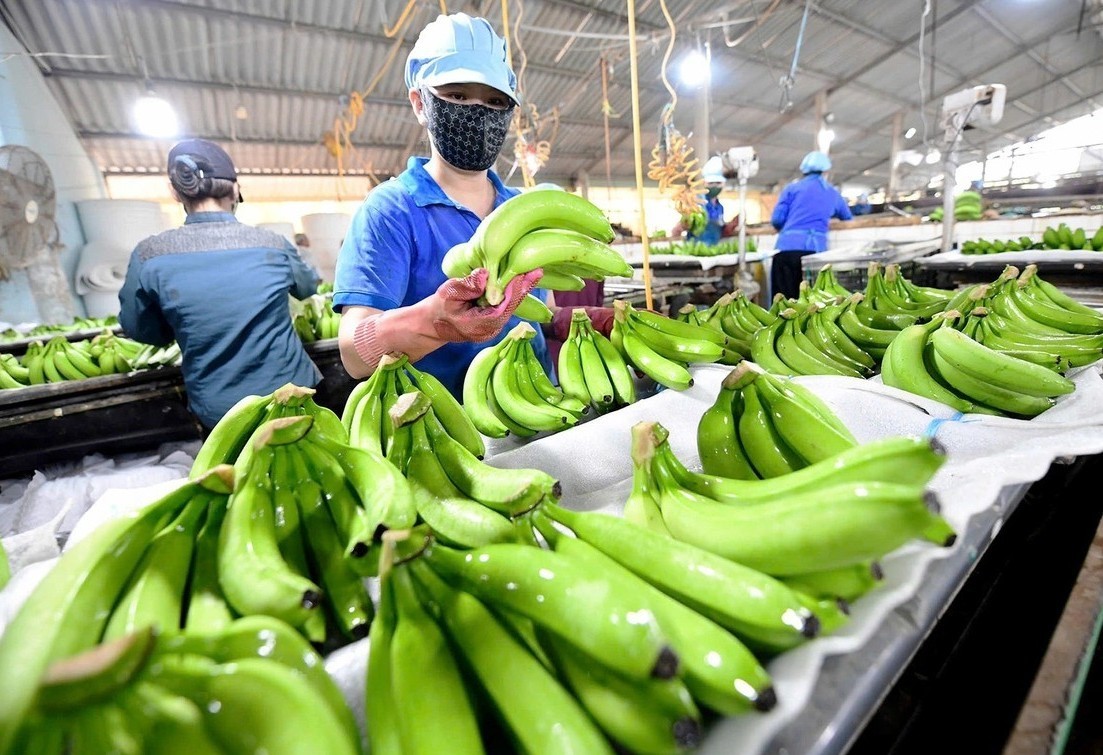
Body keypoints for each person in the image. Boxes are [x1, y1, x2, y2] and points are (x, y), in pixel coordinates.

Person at [333, 13, 613, 396]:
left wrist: (582, 321)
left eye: (495, 101)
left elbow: (535, 314)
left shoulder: (523, 211)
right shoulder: (391, 210)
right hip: (446, 421)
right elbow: (353, 355)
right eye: (458, 95)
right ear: (420, 103)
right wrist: (436, 322)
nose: (478, 112)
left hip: (544, 405)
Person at [118, 138, 322, 432]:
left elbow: (141, 329)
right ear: (236, 190)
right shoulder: (273, 245)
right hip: (293, 394)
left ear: (175, 192)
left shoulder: (149, 255)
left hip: (220, 412)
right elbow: (307, 288)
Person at [769, 150, 853, 300]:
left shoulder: (792, 188)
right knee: (811, 302)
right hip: (814, 254)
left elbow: (777, 220)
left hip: (787, 250)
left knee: (783, 302)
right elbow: (847, 217)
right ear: (826, 171)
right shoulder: (832, 192)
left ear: (804, 170)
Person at [670, 156, 739, 245]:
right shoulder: (696, 201)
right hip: (695, 250)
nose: (714, 186)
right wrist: (682, 226)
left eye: (718, 183)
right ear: (704, 183)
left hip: (713, 250)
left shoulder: (720, 207)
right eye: (711, 183)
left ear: (724, 183)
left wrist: (732, 225)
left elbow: (719, 232)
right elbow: (678, 229)